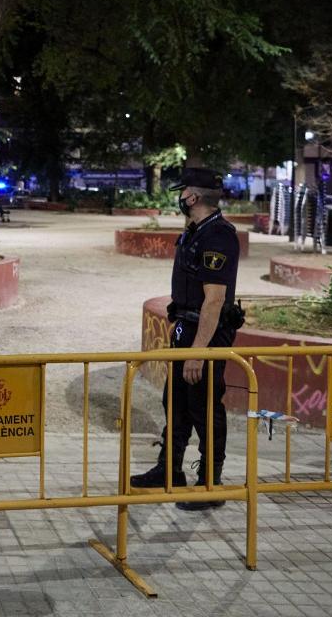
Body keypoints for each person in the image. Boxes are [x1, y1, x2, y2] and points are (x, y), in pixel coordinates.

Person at [131, 167, 242, 510]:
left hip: (204, 336)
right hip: (187, 329)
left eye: (183, 193)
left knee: (205, 406)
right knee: (175, 401)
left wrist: (197, 352)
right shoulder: (196, 232)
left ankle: (211, 484)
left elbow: (214, 300)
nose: (179, 198)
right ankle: (169, 471)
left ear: (192, 197)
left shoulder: (218, 236)